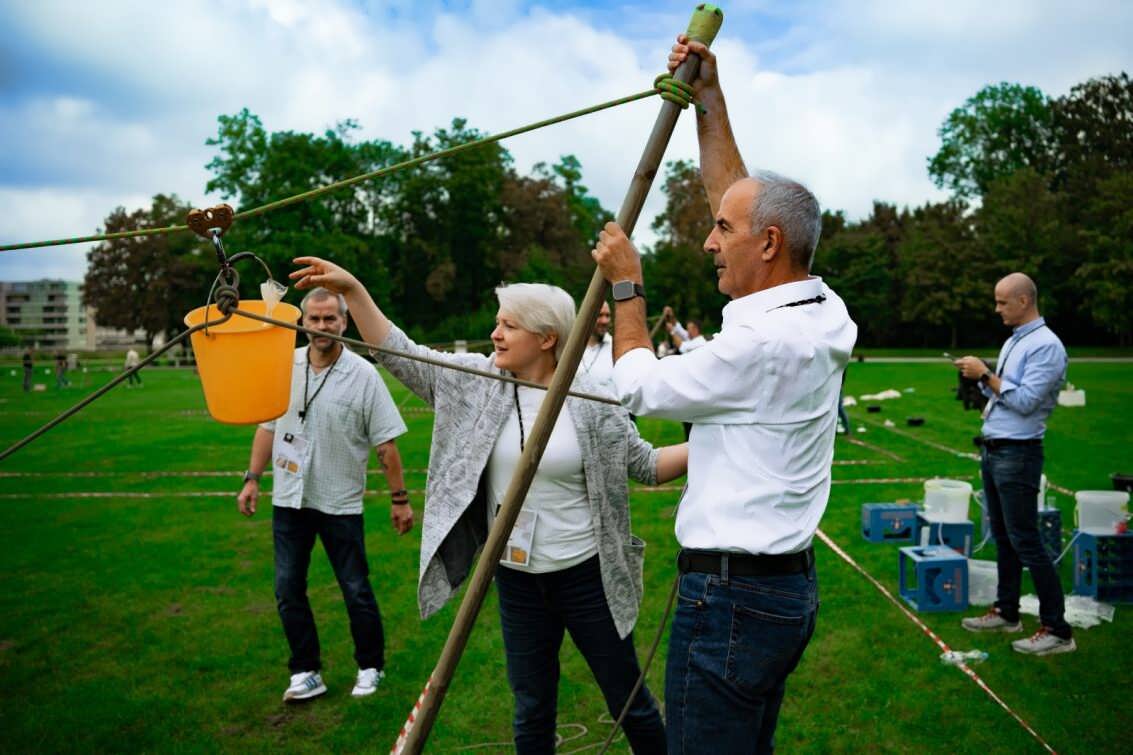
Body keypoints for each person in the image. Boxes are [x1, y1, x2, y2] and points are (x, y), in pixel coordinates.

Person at [289, 257, 688, 754]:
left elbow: (646, 464)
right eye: (497, 322)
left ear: (546, 338)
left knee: (628, 701)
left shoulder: (589, 399)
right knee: (531, 708)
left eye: (508, 325)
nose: (494, 334)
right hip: (515, 577)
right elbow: (398, 353)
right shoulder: (476, 382)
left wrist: (712, 445)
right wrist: (353, 289)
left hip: (587, 576)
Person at [591, 35, 857, 753]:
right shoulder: (820, 306)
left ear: (768, 245)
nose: (708, 240)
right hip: (778, 593)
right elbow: (737, 194)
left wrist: (626, 284)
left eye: (721, 230)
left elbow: (640, 386)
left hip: (732, 601)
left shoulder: (758, 346)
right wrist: (710, 101)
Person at [235, 287, 413, 702]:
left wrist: (400, 499)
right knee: (287, 589)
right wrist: (252, 478)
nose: (321, 326)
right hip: (289, 500)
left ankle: (370, 667)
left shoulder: (364, 375)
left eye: (329, 318)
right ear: (302, 321)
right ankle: (306, 671)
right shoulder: (284, 364)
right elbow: (267, 427)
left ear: (344, 322)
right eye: (313, 319)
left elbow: (386, 445)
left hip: (339, 503)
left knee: (355, 588)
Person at [954, 272, 1074, 656]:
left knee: (1027, 541)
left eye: (1003, 302)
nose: (997, 309)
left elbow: (1024, 401)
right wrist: (976, 380)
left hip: (1018, 453)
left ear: (1024, 301)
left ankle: (1058, 629)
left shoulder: (1047, 347)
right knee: (1004, 536)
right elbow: (1004, 394)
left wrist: (986, 375)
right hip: (995, 448)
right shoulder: (1015, 341)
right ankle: (1008, 611)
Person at [580, 300, 615, 395]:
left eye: (607, 316)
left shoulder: (616, 348)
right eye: (599, 315)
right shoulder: (570, 348)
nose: (605, 321)